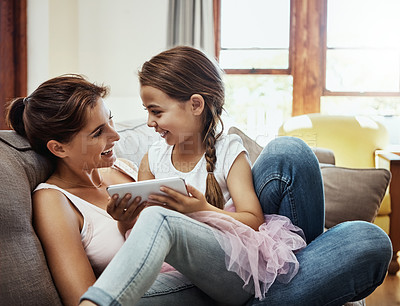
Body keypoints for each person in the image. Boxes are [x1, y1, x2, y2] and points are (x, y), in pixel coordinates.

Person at [79, 46, 392, 306]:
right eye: (147, 111)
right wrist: (125, 220)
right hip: (181, 274)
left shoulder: (228, 151)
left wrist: (199, 209)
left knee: (368, 238)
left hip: (233, 265)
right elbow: (140, 238)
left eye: (156, 111)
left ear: (196, 105)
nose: (149, 122)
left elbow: (253, 220)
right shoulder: (153, 159)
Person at [5, 75, 215, 306]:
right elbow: (82, 298)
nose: (115, 136)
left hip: (204, 272)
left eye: (110, 120)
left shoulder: (123, 168)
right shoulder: (54, 201)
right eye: (97, 133)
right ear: (59, 148)